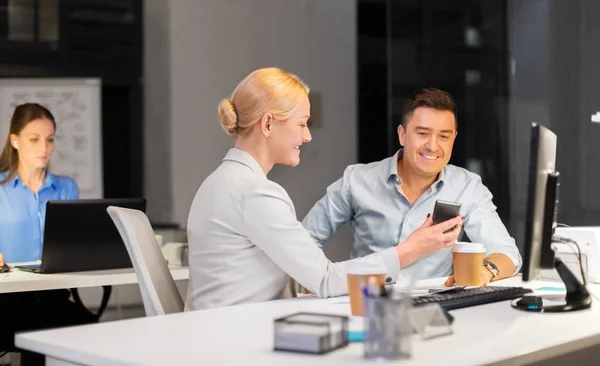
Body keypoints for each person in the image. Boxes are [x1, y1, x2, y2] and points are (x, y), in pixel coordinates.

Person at [184, 68, 464, 311]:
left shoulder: (217, 182)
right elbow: (326, 280)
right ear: (268, 123)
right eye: (302, 124)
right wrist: (409, 251)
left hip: (216, 331)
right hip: (238, 341)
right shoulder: (256, 193)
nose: (306, 136)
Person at [302, 87, 522, 287]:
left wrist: (484, 272)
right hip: (367, 302)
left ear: (454, 139)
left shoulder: (467, 187)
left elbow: (507, 254)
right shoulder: (357, 180)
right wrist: (317, 283)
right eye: (423, 133)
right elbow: (305, 240)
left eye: (444, 136)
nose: (433, 146)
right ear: (402, 134)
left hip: (435, 308)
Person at [0, 103, 99, 365]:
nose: (44, 148)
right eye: (34, 139)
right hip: (7, 301)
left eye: (50, 139)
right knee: (39, 334)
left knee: (89, 330)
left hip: (53, 296)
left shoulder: (67, 189)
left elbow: (75, 247)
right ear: (15, 141)